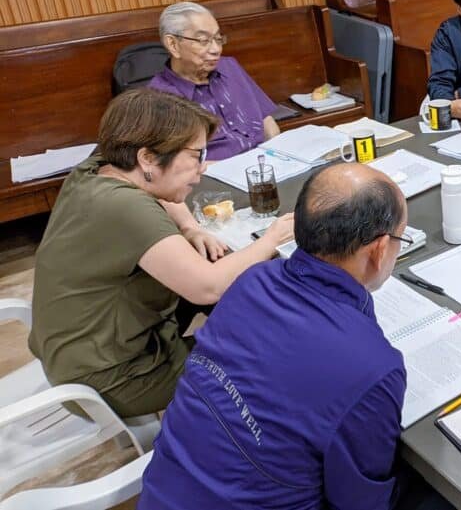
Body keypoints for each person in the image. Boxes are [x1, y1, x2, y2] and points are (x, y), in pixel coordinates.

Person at [139, 163, 452, 510]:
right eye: (399, 237)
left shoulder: (252, 281)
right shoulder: (373, 368)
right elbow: (360, 502)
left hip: (164, 491)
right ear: (379, 250)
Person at [29, 89, 293, 418]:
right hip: (112, 377)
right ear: (148, 158)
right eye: (196, 155)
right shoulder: (124, 207)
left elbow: (164, 194)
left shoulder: (99, 169)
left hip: (76, 347)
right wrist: (272, 238)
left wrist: (189, 228)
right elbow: (206, 286)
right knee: (268, 353)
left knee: (232, 287)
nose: (201, 169)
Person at [148, 1, 281, 160]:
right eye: (203, 40)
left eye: (218, 39)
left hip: (265, 164)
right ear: (173, 45)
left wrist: (277, 155)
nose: (216, 49)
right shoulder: (159, 98)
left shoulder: (229, 66)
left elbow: (267, 121)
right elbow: (180, 164)